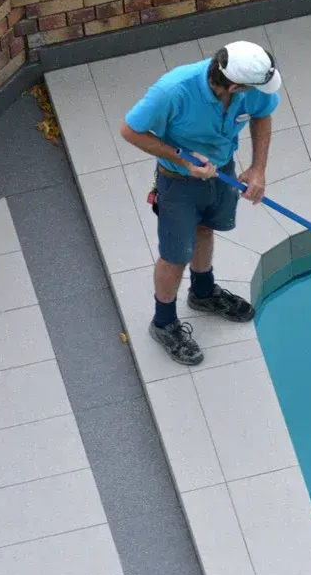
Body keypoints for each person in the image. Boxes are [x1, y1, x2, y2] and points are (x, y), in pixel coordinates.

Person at [118, 41, 282, 365]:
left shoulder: (251, 90)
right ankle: (163, 322)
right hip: (178, 183)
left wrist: (258, 168)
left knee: (206, 229)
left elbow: (263, 114)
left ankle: (203, 293)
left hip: (221, 172)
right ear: (233, 86)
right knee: (175, 255)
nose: (259, 93)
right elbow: (130, 130)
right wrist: (182, 159)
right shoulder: (172, 91)